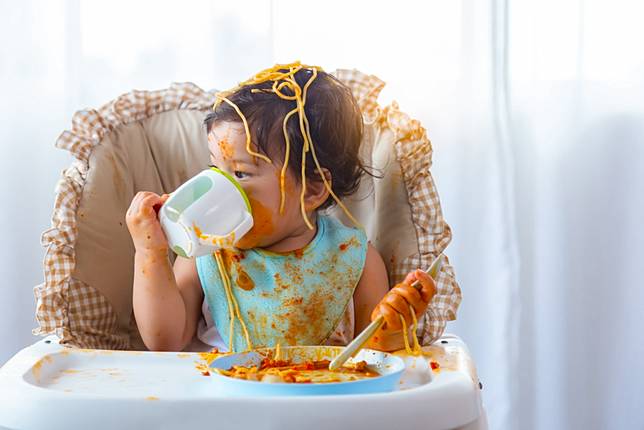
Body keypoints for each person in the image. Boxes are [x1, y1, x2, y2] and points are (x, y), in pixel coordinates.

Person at [125, 62, 436, 353]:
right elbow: (164, 341)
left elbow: (370, 358)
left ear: (313, 189)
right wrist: (150, 254)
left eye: (241, 173)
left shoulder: (356, 258)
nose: (220, 185)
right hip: (222, 404)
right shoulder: (207, 252)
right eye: (216, 168)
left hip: (320, 404)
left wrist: (391, 330)